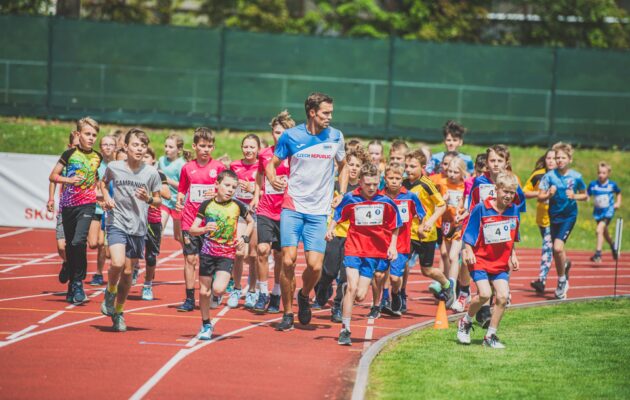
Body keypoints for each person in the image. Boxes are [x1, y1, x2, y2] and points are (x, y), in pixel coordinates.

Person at [265, 92, 347, 331]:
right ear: (312, 112)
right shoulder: (291, 136)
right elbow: (272, 164)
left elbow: (343, 166)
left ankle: (304, 295)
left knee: (315, 266)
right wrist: (273, 179)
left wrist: (340, 192)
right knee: (288, 261)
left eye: (331, 113)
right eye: (325, 113)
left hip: (319, 211)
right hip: (293, 207)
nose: (330, 117)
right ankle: (288, 313)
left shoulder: (336, 137)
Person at [326, 163, 401, 345]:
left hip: (373, 253)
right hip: (353, 248)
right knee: (352, 287)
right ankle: (345, 329)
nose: (371, 188)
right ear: (360, 181)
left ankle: (346, 292)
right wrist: (330, 229)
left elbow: (395, 226)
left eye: (375, 184)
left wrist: (393, 247)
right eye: (367, 184)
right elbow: (338, 215)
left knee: (360, 295)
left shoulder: (387, 202)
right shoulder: (351, 198)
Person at [100, 128, 162, 332]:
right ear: (125, 147)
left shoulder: (151, 173)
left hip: (138, 227)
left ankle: (118, 312)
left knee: (127, 273)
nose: (139, 149)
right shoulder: (114, 166)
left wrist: (149, 199)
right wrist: (106, 198)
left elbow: (159, 199)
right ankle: (110, 291)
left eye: (143, 146)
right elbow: (102, 183)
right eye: (135, 145)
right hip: (117, 221)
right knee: (117, 263)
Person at [457, 172, 520, 349]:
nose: (508, 195)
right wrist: (468, 249)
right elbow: (469, 232)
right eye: (505, 191)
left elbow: (513, 235)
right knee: (485, 294)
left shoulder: (514, 210)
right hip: (480, 259)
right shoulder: (481, 208)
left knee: (502, 296)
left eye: (512, 192)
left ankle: (490, 336)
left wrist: (513, 254)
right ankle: (466, 321)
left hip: (500, 262)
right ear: (496, 189)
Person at [189, 170, 254, 340]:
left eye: (233, 187)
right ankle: (206, 324)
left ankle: (217, 296)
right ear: (217, 185)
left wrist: (244, 238)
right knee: (203, 292)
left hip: (226, 254)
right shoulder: (206, 205)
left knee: (218, 289)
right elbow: (192, 229)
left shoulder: (238, 206)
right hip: (207, 253)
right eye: (227, 185)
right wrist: (204, 229)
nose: (230, 190)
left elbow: (251, 222)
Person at [48, 117, 102, 304]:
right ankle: (73, 282)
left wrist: (105, 198)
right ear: (78, 135)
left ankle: (78, 281)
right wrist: (68, 180)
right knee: (70, 245)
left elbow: (96, 180)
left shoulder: (97, 157)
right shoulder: (69, 154)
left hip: (87, 205)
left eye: (94, 135)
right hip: (68, 206)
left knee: (79, 241)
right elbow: (53, 175)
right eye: (87, 134)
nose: (91, 138)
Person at [314, 146, 369, 320]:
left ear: (362, 169)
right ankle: (322, 286)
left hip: (353, 237)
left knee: (346, 275)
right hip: (334, 232)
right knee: (330, 270)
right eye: (350, 164)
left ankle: (337, 306)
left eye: (357, 165)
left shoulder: (364, 190)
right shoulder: (334, 185)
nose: (353, 168)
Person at [175, 128, 226, 312]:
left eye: (210, 146)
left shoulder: (219, 167)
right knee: (190, 259)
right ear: (194, 146)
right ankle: (189, 298)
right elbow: (182, 189)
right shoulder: (187, 168)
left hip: (211, 221)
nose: (206, 150)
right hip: (190, 220)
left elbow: (228, 189)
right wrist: (180, 198)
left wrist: (217, 192)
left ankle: (211, 291)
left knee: (209, 259)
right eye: (202, 146)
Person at [251, 111, 295, 314]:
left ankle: (277, 293)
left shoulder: (294, 156)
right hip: (266, 209)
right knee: (261, 250)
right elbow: (260, 175)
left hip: (285, 210)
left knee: (279, 255)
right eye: (276, 132)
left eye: (283, 132)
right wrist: (256, 195)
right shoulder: (264, 155)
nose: (279, 136)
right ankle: (262, 292)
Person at [402, 150, 451, 310]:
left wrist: (430, 222)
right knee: (401, 265)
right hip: (408, 233)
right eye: (406, 166)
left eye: (412, 166)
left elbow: (441, 205)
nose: (408, 169)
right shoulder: (402, 183)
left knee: (427, 270)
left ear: (423, 167)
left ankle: (446, 284)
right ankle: (399, 295)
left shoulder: (426, 184)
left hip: (426, 235)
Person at [538, 142, 587, 300]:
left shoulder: (576, 177)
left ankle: (561, 281)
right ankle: (563, 270)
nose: (559, 160)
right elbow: (540, 196)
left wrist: (575, 196)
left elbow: (585, 195)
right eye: (557, 157)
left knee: (558, 248)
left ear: (569, 159)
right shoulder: (549, 176)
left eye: (562, 157)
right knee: (556, 251)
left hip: (569, 216)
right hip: (554, 216)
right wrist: (548, 194)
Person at [377, 162, 425, 317]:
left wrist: (422, 227)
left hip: (402, 244)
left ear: (402, 179)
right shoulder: (379, 196)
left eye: (397, 178)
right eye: (390, 178)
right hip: (381, 242)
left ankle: (396, 292)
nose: (394, 181)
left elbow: (422, 214)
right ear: (385, 178)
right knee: (379, 274)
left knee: (395, 277)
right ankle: (382, 298)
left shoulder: (410, 197)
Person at [228, 134, 260, 309]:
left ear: (258, 149)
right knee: (239, 253)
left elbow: (267, 190)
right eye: (246, 147)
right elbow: (228, 186)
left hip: (255, 213)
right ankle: (236, 288)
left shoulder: (261, 167)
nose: (248, 150)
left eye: (252, 147)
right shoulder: (235, 165)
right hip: (239, 213)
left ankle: (253, 291)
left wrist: (254, 189)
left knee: (253, 256)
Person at [47, 132, 81, 288]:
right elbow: (53, 179)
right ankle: (67, 263)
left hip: (81, 209)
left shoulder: (87, 162)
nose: (78, 149)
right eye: (75, 146)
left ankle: (75, 280)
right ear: (69, 146)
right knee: (61, 246)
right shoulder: (65, 160)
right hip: (64, 208)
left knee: (75, 245)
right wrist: (51, 198)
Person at [139, 147, 171, 300]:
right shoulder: (133, 172)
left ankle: (147, 285)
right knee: (129, 253)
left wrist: (150, 187)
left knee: (150, 257)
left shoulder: (159, 174)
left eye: (147, 156)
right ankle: (129, 273)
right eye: (142, 156)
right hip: (135, 218)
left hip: (152, 219)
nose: (144, 159)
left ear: (153, 160)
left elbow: (167, 194)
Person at [524, 149, 557, 294]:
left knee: (548, 247)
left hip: (558, 219)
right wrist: (541, 193)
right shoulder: (538, 175)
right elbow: (525, 192)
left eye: (554, 158)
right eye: (548, 158)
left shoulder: (562, 177)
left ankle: (541, 280)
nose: (551, 160)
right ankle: (565, 264)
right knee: (553, 249)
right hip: (542, 219)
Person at [440, 157, 468, 311]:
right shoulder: (443, 184)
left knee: (453, 256)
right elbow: (439, 205)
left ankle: (452, 288)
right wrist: (443, 201)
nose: (451, 174)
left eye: (456, 172)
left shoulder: (466, 186)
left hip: (460, 225)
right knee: (450, 259)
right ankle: (458, 288)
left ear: (462, 172)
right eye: (449, 171)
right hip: (447, 224)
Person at [88, 134, 117, 286]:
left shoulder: (118, 166)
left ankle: (99, 274)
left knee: (104, 247)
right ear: (100, 148)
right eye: (104, 144)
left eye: (110, 144)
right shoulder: (96, 165)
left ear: (115, 148)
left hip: (111, 210)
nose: (107, 147)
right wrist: (96, 194)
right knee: (93, 243)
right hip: (96, 208)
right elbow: (91, 185)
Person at [587, 162, 622, 263]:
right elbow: (587, 194)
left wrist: (618, 203)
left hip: (608, 212)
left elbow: (618, 193)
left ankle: (598, 254)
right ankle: (613, 246)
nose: (601, 175)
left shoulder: (612, 185)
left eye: (603, 173)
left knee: (599, 230)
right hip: (598, 213)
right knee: (604, 233)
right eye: (599, 173)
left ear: (608, 174)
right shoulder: (593, 185)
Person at [159, 134, 188, 246]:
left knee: (178, 236)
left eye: (171, 147)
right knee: (158, 230)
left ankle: (189, 255)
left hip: (178, 203)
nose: (167, 149)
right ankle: (152, 259)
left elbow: (184, 187)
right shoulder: (161, 160)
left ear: (179, 149)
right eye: (166, 146)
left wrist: (168, 180)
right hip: (164, 201)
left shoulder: (182, 164)